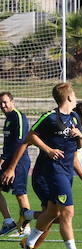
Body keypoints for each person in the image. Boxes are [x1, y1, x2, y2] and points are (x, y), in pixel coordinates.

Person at [1, 83, 82, 249]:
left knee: (52, 212)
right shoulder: (50, 117)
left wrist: (79, 137)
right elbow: (30, 136)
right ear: (68, 97)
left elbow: (79, 146)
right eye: (73, 94)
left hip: (67, 172)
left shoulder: (75, 117)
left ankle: (29, 242)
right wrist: (48, 150)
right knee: (68, 212)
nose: (75, 96)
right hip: (53, 172)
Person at [0, 92, 32, 237]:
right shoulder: (8, 119)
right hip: (8, 161)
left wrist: (11, 167)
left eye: (5, 102)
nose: (2, 105)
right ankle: (8, 222)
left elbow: (20, 143)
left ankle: (26, 227)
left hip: (18, 162)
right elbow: (9, 145)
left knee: (20, 194)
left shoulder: (18, 117)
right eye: (0, 103)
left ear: (12, 101)